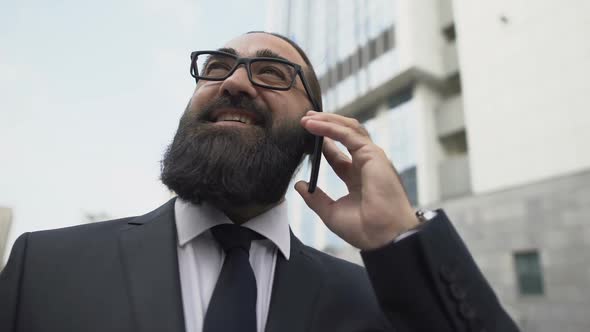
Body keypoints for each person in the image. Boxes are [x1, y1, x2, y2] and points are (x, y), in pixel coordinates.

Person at [0, 32, 520, 332]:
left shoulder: (374, 302)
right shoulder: (41, 266)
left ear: (316, 130)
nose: (234, 81)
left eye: (271, 73)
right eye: (218, 68)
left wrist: (400, 239)